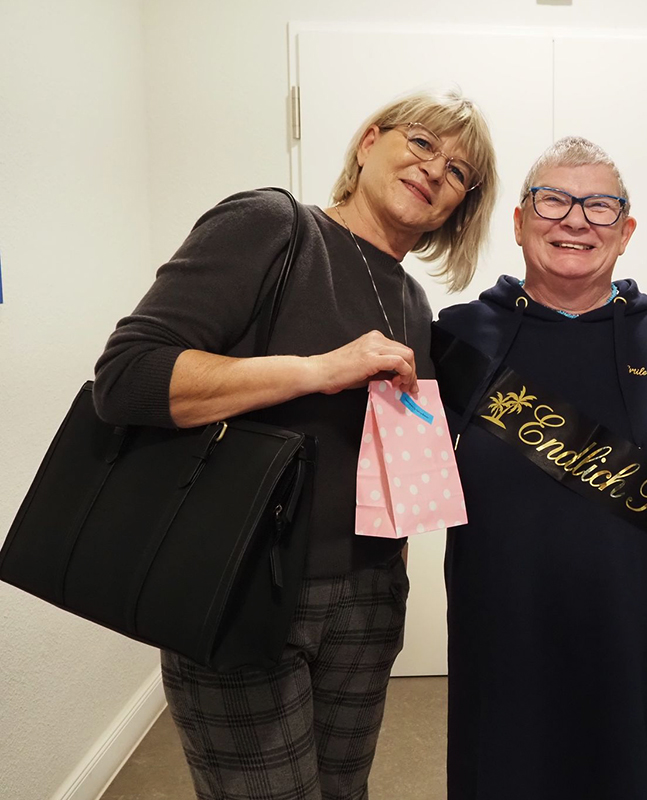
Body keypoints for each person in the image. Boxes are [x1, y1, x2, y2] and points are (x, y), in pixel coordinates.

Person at [92, 89, 498, 800]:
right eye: (422, 142)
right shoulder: (273, 228)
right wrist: (318, 371)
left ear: (459, 207)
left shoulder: (412, 302)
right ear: (369, 142)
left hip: (368, 596)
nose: (436, 170)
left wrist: (394, 579)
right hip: (239, 581)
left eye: (459, 171)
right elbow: (127, 378)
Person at [436, 137, 647, 800]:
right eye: (553, 201)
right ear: (519, 222)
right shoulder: (457, 336)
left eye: (598, 206)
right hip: (507, 644)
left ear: (625, 232)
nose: (575, 220)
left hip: (644, 645)